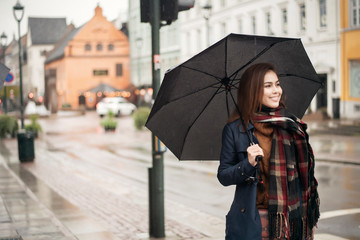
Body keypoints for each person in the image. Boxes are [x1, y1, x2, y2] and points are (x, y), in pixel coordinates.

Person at [217, 63, 320, 240]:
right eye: (268, 86)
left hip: (291, 220)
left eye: (277, 84)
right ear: (252, 91)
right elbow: (223, 176)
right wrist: (247, 164)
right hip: (253, 219)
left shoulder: (292, 126)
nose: (276, 91)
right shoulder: (235, 129)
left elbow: (305, 178)